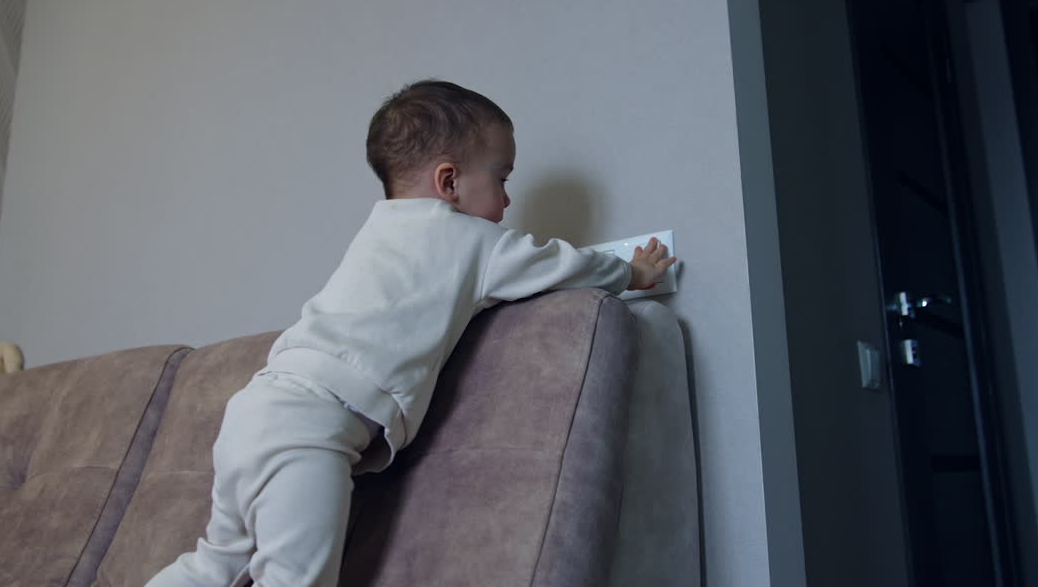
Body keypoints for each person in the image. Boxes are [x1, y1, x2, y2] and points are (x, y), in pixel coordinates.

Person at [146, 80, 676, 587]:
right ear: (449, 183)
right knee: (295, 576)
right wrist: (633, 271)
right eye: (503, 179)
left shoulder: (379, 232)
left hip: (255, 408)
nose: (508, 203)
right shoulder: (471, 239)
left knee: (216, 560)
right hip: (308, 428)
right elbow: (560, 265)